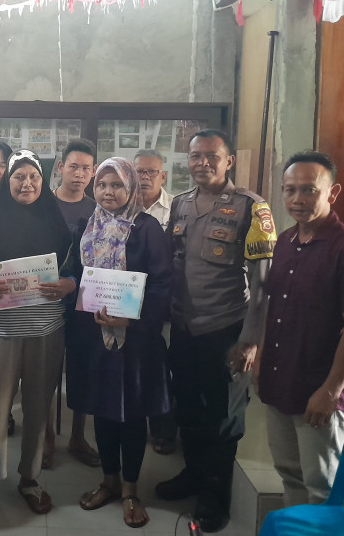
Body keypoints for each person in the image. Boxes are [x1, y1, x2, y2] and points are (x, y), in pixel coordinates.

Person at [156, 129, 277, 533]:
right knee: (188, 406)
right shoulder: (180, 204)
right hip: (185, 328)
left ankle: (215, 494)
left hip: (226, 329)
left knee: (223, 418)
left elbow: (264, 283)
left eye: (212, 156)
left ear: (229, 161)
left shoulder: (251, 207)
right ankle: (192, 474)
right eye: (195, 156)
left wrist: (251, 340)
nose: (202, 163)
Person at [257, 151, 344, 505]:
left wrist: (330, 391)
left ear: (332, 193)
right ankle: (296, 528)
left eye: (309, 190)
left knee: (321, 487)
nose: (298, 199)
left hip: (319, 391)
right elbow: (274, 311)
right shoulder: (285, 242)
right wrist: (261, 361)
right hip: (281, 382)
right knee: (289, 474)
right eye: (290, 190)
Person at [0, 149, 77, 516]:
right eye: (18, 177)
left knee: (38, 405)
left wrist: (69, 284)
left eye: (33, 177)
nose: (26, 183)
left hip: (46, 329)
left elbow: (73, 269)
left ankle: (30, 478)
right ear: (6, 182)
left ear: (43, 181)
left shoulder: (57, 224)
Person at [69, 158, 172, 528]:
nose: (108, 192)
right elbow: (79, 276)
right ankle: (109, 481)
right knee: (102, 409)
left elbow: (163, 283)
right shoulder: (89, 224)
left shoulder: (147, 228)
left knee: (132, 413)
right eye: (102, 185)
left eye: (117, 185)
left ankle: (130, 489)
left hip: (135, 339)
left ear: (131, 189)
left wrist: (133, 318)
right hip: (95, 335)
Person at [49, 139, 101, 469]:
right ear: (61, 168)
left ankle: (78, 437)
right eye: (73, 167)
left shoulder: (98, 210)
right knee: (46, 369)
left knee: (83, 369)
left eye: (86, 168)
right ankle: (44, 438)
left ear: (93, 172)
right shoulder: (43, 205)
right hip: (48, 297)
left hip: (85, 299)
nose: (79, 174)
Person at [133, 148, 177, 455]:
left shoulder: (177, 208)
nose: (145, 177)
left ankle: (164, 430)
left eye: (152, 172)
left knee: (165, 368)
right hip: (130, 302)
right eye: (140, 171)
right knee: (141, 365)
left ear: (163, 176)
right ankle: (135, 422)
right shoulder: (122, 206)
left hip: (167, 300)